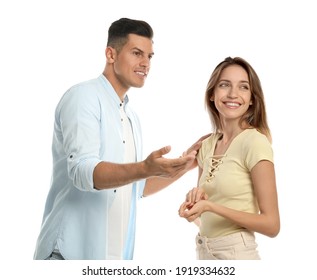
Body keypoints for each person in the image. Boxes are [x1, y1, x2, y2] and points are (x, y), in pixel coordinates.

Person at [34, 18, 206, 260]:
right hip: (69, 256)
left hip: (113, 258)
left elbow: (137, 186)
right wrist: (144, 167)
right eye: (137, 53)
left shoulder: (130, 116)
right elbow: (83, 172)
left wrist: (185, 164)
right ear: (110, 54)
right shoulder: (83, 98)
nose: (145, 63)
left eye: (150, 56)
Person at [179, 57, 280, 260]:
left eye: (243, 87)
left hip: (237, 254)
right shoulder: (207, 144)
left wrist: (210, 206)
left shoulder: (255, 142)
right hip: (204, 252)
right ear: (212, 94)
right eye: (224, 85)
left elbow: (272, 225)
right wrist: (193, 211)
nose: (233, 94)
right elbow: (208, 215)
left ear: (252, 98)